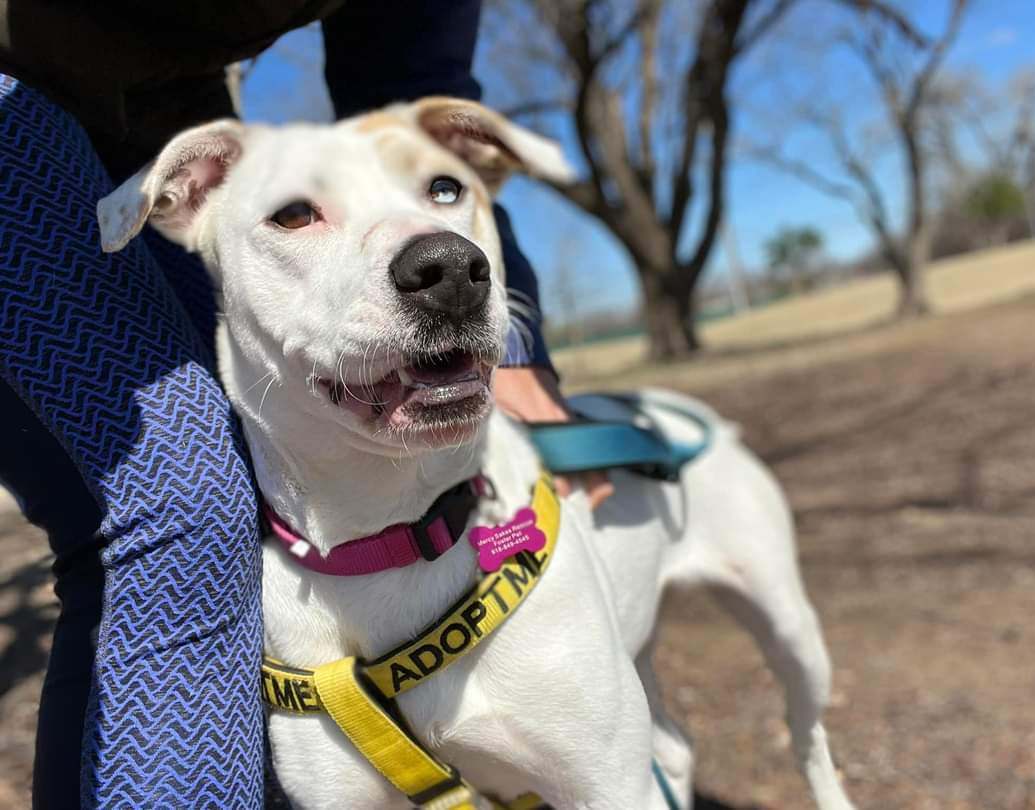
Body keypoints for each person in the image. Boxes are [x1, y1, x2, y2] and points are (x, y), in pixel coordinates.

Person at [0, 3, 607, 807]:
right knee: (183, 501)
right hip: (19, 114)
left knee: (225, 500)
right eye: (297, 214)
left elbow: (409, 81)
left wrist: (519, 352)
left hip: (148, 124)